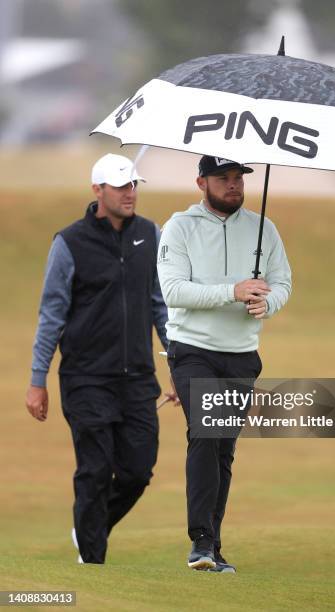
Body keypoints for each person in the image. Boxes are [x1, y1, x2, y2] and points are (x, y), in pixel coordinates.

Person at [25, 153, 177, 564]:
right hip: (86, 378)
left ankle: (88, 527)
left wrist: (176, 366)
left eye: (133, 186)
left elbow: (160, 306)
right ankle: (92, 561)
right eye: (121, 186)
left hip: (137, 380)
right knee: (94, 471)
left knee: (137, 471)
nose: (130, 194)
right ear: (98, 191)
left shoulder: (150, 235)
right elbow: (51, 315)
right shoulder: (69, 242)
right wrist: (37, 380)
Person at [157, 155, 291, 573]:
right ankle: (200, 542)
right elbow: (174, 290)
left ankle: (212, 547)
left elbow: (283, 281)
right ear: (201, 182)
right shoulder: (180, 226)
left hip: (241, 354)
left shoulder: (264, 228)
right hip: (193, 347)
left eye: (238, 178)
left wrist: (266, 302)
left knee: (223, 449)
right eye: (223, 179)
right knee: (205, 432)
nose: (233, 185)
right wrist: (232, 291)